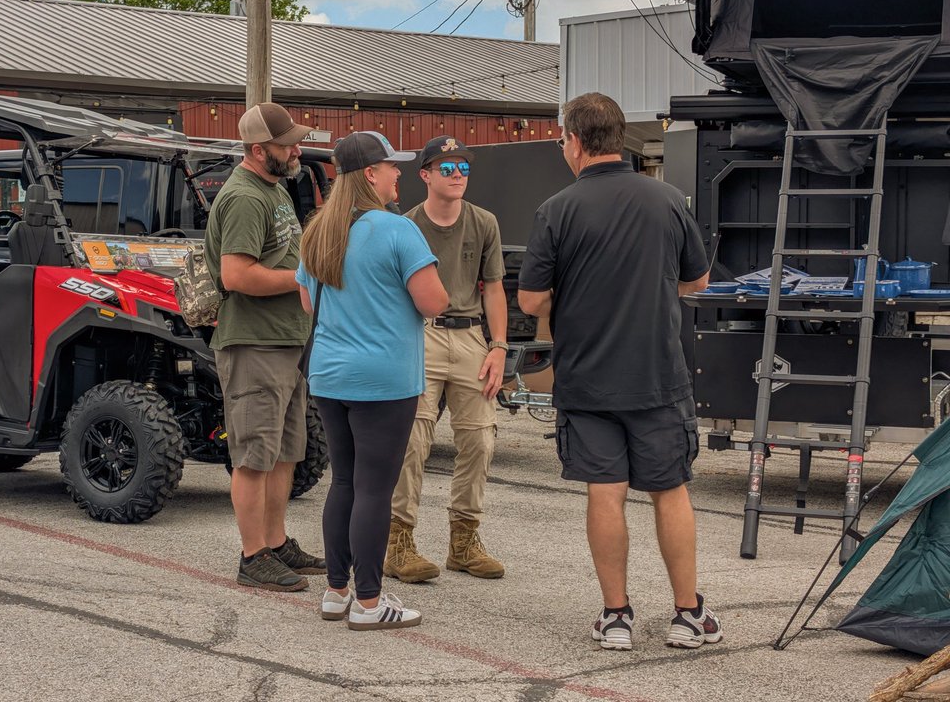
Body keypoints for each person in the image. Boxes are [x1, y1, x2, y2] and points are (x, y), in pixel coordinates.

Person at [517, 93, 722, 652]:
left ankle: (616, 617)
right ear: (620, 140)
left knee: (605, 495)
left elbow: (531, 300)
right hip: (659, 375)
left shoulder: (556, 209)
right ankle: (688, 614)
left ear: (576, 142)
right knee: (670, 492)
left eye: (564, 139)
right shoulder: (667, 201)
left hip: (586, 381)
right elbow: (698, 282)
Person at [296, 131, 448, 630]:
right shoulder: (397, 230)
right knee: (375, 490)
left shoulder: (319, 228)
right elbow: (433, 302)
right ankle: (368, 601)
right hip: (384, 378)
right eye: (391, 167)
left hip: (329, 374)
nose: (398, 174)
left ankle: (336, 591)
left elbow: (308, 303)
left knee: (344, 481)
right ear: (370, 175)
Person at [204, 101, 326, 592]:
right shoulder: (245, 197)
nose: (297, 149)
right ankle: (253, 556)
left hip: (284, 341)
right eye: (287, 144)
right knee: (255, 454)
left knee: (285, 451)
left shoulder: (273, 190)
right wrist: (302, 280)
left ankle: (276, 544)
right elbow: (236, 274)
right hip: (254, 343)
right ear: (259, 150)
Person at [385, 135, 507, 583]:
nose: (457, 175)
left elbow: (492, 288)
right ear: (426, 175)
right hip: (421, 335)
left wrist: (498, 346)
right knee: (412, 442)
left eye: (464, 168)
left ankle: (464, 541)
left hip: (472, 335)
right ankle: (399, 542)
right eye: (447, 168)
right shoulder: (406, 225)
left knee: (480, 439)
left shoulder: (484, 222)